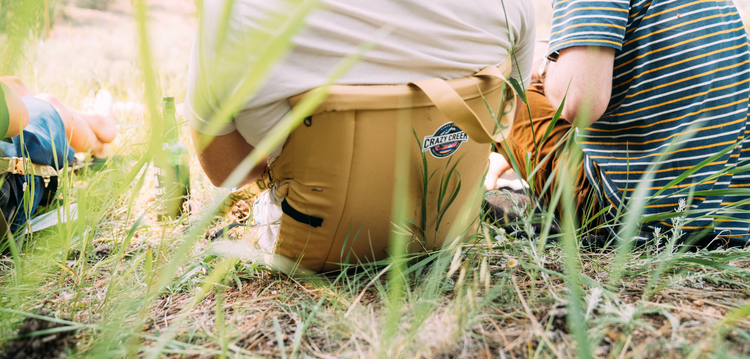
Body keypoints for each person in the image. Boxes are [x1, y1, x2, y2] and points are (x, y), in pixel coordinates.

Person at [186, 0, 536, 269]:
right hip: (451, 233)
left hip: (314, 253)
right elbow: (504, 116)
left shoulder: (233, 12)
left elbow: (228, 169)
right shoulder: (508, 5)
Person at [484, 0, 750, 245]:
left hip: (636, 218)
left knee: (505, 85)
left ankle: (476, 170)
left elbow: (578, 101)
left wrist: (543, 63)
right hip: (728, 212)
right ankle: (507, 159)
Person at [0, 76, 118, 232]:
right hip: (13, 198)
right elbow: (18, 118)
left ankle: (96, 122)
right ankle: (99, 141)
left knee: (14, 84)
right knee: (46, 103)